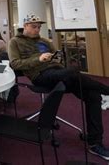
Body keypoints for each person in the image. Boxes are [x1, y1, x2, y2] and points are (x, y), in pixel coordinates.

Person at [9, 13, 109, 161]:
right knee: (73, 73)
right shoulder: (15, 42)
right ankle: (107, 91)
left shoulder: (45, 41)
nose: (37, 29)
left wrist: (58, 59)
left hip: (59, 73)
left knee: (93, 96)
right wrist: (38, 58)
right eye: (34, 26)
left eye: (39, 27)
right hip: (40, 75)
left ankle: (95, 143)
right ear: (25, 26)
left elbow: (58, 58)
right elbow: (15, 64)